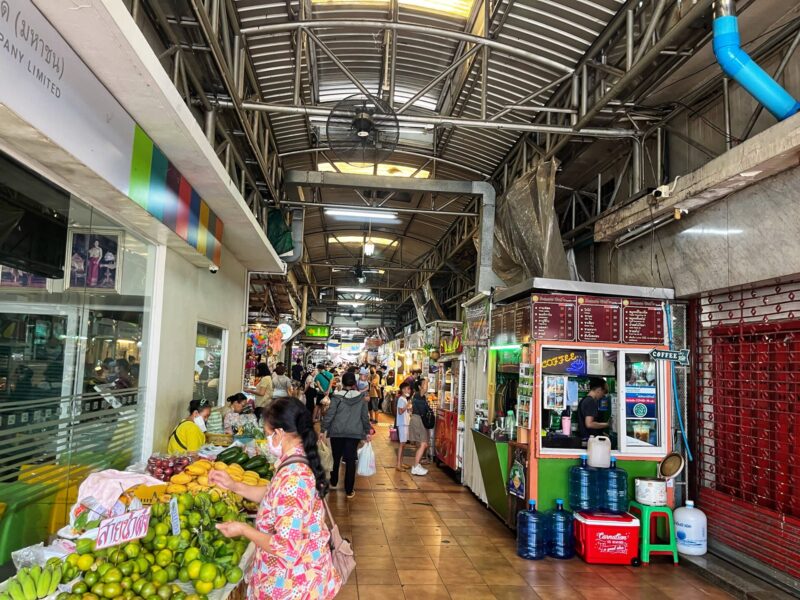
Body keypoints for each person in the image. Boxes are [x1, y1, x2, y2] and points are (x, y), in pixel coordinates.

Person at [210, 398, 341, 600]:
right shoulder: (295, 461)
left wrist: (243, 529)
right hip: (301, 575)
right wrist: (234, 485)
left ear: (280, 433)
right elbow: (273, 495)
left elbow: (286, 547)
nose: (267, 439)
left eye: (268, 434)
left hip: (292, 584)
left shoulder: (293, 478)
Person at [321, 372, 371, 499]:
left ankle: (333, 481)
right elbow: (365, 417)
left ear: (342, 383)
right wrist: (367, 431)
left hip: (337, 432)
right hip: (354, 433)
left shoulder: (336, 397)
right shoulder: (361, 398)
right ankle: (349, 490)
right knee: (350, 460)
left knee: (336, 457)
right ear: (354, 383)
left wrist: (323, 430)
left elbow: (330, 415)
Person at [408, 378, 431, 476]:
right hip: (417, 420)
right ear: (419, 387)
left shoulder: (420, 396)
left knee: (422, 444)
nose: (427, 386)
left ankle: (417, 465)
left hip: (418, 419)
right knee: (423, 444)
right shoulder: (419, 394)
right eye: (425, 384)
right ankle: (416, 466)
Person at [395, 381, 412, 472]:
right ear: (402, 390)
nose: (408, 390)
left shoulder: (404, 399)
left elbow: (405, 411)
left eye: (409, 389)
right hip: (402, 424)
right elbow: (400, 411)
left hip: (405, 423)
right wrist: (407, 405)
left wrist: (409, 408)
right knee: (402, 444)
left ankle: (401, 463)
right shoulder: (402, 399)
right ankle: (398, 464)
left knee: (404, 444)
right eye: (406, 389)